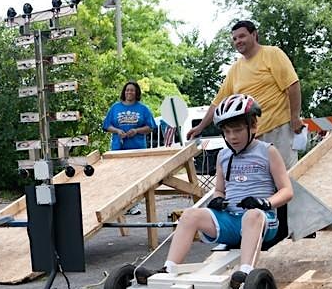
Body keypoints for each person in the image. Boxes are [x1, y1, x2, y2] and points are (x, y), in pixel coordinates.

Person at [136, 94, 293, 288]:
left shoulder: (267, 151)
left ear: (253, 127)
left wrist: (265, 203)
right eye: (227, 132)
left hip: (262, 221)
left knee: (252, 216)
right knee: (190, 215)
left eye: (237, 130)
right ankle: (168, 269)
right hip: (231, 221)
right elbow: (219, 190)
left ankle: (244, 272)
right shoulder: (223, 155)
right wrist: (217, 200)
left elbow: (287, 191)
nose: (232, 137)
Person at [186, 20, 304, 169]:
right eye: (234, 39)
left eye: (242, 36)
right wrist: (200, 127)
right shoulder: (235, 68)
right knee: (260, 182)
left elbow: (292, 85)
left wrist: (294, 117)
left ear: (254, 35)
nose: (238, 41)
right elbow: (218, 102)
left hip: (278, 129)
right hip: (251, 135)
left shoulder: (272, 54)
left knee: (286, 177)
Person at [103, 81, 157, 215]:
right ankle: (121, 206)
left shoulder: (143, 109)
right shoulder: (115, 108)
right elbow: (106, 125)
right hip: (118, 149)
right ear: (124, 92)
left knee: (135, 178)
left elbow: (150, 127)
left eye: (132, 90)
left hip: (137, 149)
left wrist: (137, 130)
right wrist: (117, 131)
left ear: (136, 93)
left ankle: (134, 205)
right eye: (127, 90)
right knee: (119, 177)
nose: (129, 93)